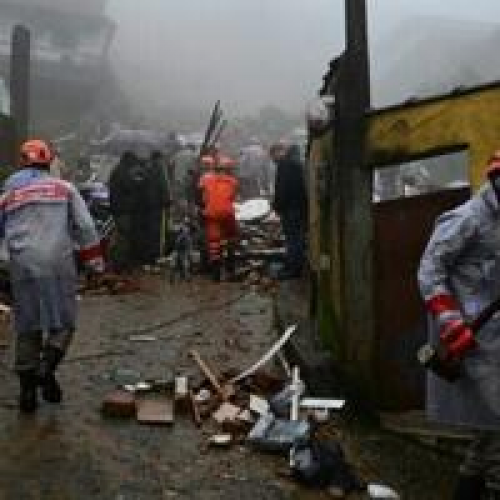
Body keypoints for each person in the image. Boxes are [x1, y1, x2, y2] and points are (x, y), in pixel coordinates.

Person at [418, 152, 500, 499]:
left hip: (494, 334)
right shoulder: (466, 219)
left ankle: (467, 490)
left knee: (489, 430)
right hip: (472, 337)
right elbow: (429, 271)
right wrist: (450, 320)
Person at [0, 139, 104, 413]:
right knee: (64, 321)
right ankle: (46, 368)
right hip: (58, 263)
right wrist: (95, 265)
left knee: (28, 324)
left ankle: (27, 393)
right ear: (49, 161)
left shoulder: (8, 195)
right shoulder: (65, 189)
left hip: (21, 264)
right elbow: (85, 227)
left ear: (22, 161)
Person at [270, 141, 308, 279]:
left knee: (293, 240)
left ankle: (293, 270)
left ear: (279, 152)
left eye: (272, 156)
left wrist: (276, 206)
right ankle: (294, 266)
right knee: (297, 239)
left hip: (291, 209)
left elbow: (282, 190)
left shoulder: (285, 165)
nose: (272, 160)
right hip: (299, 208)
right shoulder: (297, 163)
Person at [198, 152, 239, 281]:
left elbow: (203, 198)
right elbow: (232, 198)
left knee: (214, 242)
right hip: (227, 213)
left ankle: (215, 271)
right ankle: (230, 266)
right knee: (231, 237)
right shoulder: (233, 182)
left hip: (211, 214)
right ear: (229, 170)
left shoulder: (207, 180)